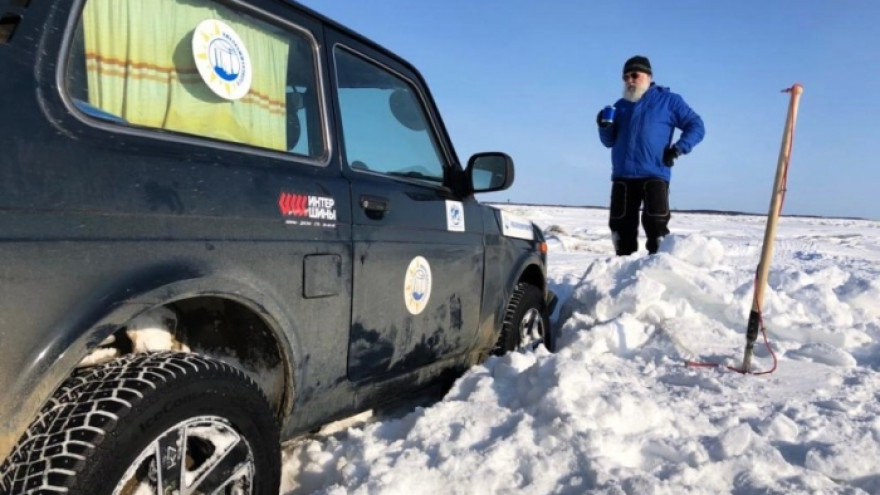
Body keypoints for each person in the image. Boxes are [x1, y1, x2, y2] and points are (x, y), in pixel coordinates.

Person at [597, 55, 705, 255]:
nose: (630, 80)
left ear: (648, 76)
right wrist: (603, 126)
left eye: (634, 75)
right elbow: (608, 141)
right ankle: (622, 275)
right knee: (620, 228)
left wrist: (679, 148)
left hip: (655, 172)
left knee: (656, 227)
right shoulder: (620, 105)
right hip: (623, 176)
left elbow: (696, 126)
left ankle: (657, 271)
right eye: (626, 77)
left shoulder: (669, 101)